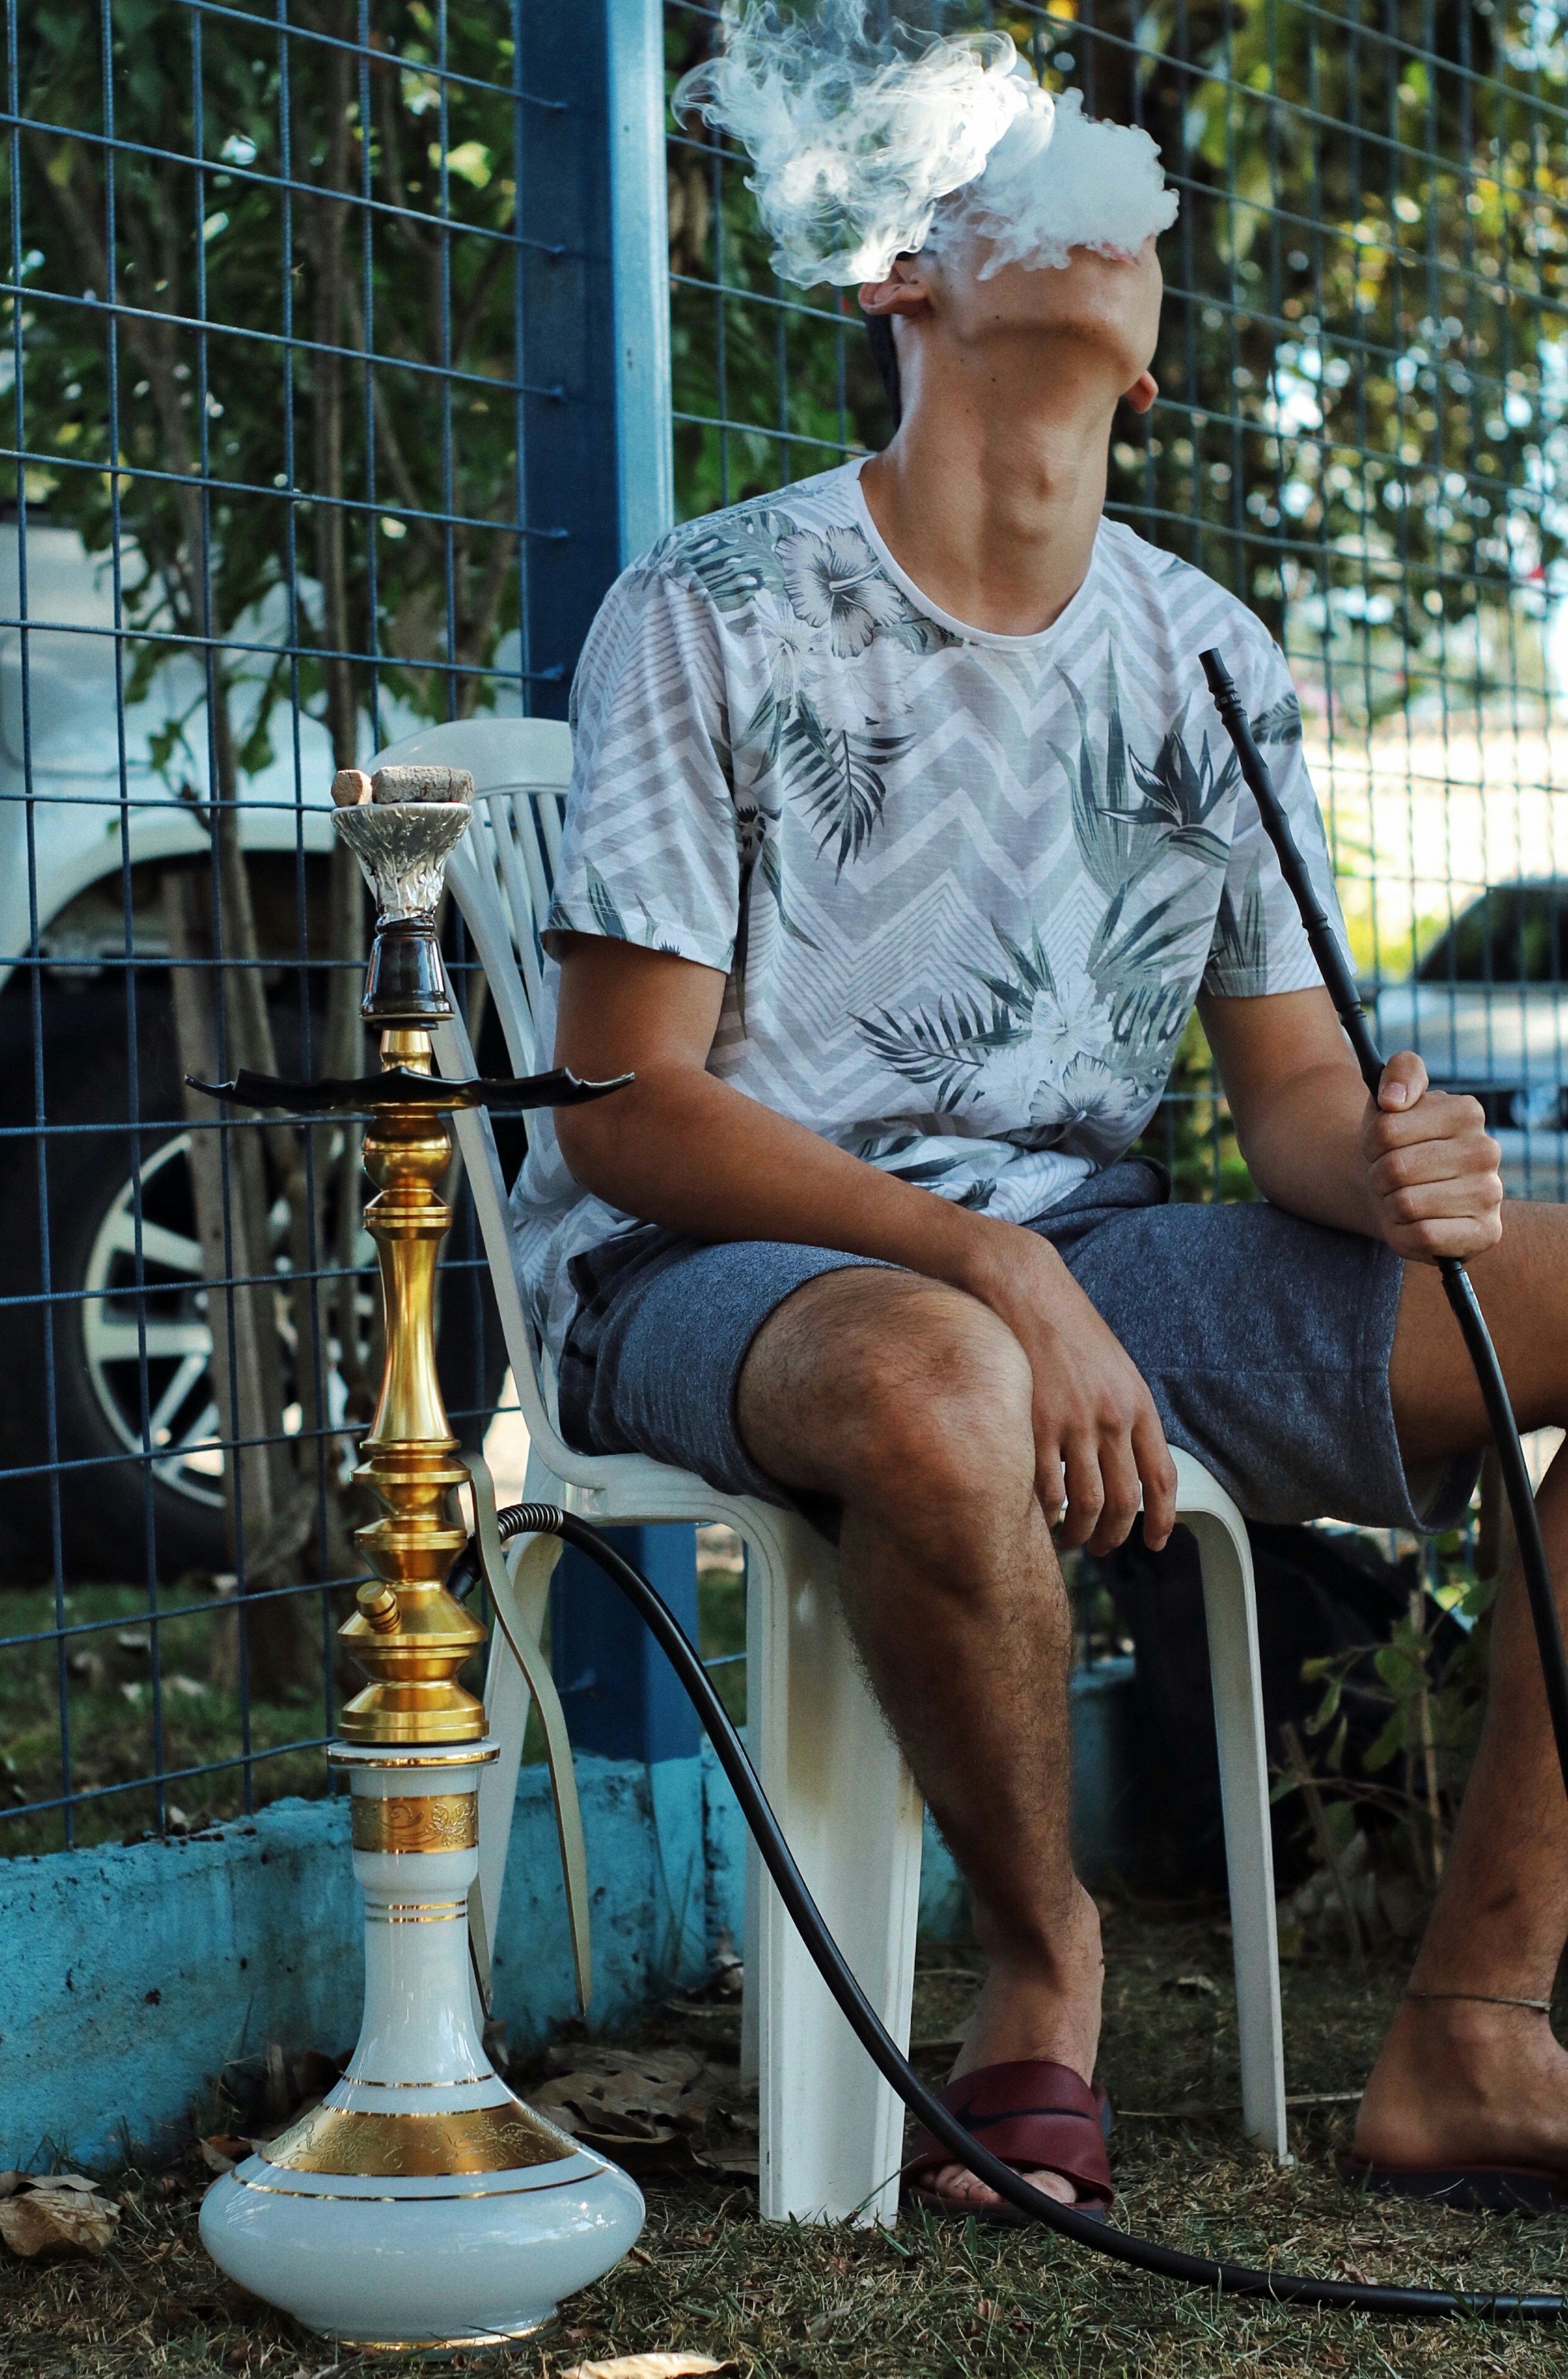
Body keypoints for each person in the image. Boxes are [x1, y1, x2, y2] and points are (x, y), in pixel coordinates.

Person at [509, 73, 1568, 2222]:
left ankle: (1471, 2028)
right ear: (896, 275)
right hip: (715, 1267)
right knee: (943, 1375)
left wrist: (1398, 1170)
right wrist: (990, 1267)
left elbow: (1286, 1101)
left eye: (1122, 213)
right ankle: (1039, 1956)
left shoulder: (1206, 655)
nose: (1091, 213)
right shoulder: (714, 600)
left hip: (1087, 1257)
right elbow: (626, 1106)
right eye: (999, 188)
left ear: (1150, 360)